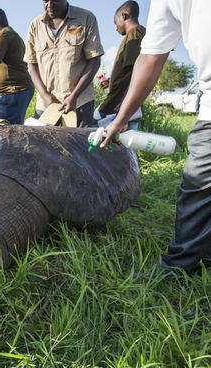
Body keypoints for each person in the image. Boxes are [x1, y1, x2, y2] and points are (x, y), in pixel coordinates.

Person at [101, 0, 211, 276]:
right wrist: (120, 116)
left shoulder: (136, 35)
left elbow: (149, 59)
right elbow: (148, 59)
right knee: (198, 189)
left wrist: (121, 114)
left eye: (116, 22)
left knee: (198, 189)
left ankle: (180, 269)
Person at [24, 0, 104, 127]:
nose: (49, 5)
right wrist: (45, 96)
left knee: (78, 144)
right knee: (43, 145)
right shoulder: (35, 25)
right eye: (45, 0)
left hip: (79, 101)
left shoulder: (86, 18)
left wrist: (74, 96)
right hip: (46, 104)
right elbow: (32, 65)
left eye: (55, 0)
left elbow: (94, 61)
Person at [96, 1, 146, 124]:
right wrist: (110, 80)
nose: (115, 27)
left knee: (91, 130)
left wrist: (125, 105)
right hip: (120, 104)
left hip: (117, 105)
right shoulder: (133, 35)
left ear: (123, 16)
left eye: (115, 22)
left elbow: (135, 70)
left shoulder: (135, 33)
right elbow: (126, 70)